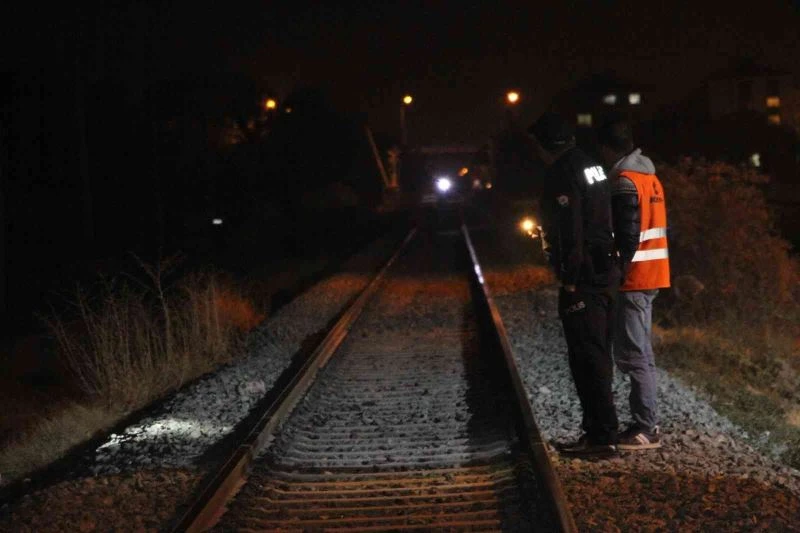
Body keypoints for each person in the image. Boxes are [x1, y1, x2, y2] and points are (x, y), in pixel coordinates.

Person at [528, 112, 620, 456]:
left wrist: (568, 280)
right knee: (598, 353)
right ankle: (601, 432)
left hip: (584, 278)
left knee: (587, 357)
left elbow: (569, 231)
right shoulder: (592, 166)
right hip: (605, 272)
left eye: (535, 144)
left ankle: (601, 437)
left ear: (545, 144)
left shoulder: (561, 174)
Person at [597, 117, 670, 450]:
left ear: (607, 148)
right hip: (652, 272)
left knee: (633, 355)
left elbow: (626, 237)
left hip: (633, 278)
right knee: (644, 353)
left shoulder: (625, 181)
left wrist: (613, 272)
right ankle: (647, 422)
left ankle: (645, 427)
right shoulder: (650, 177)